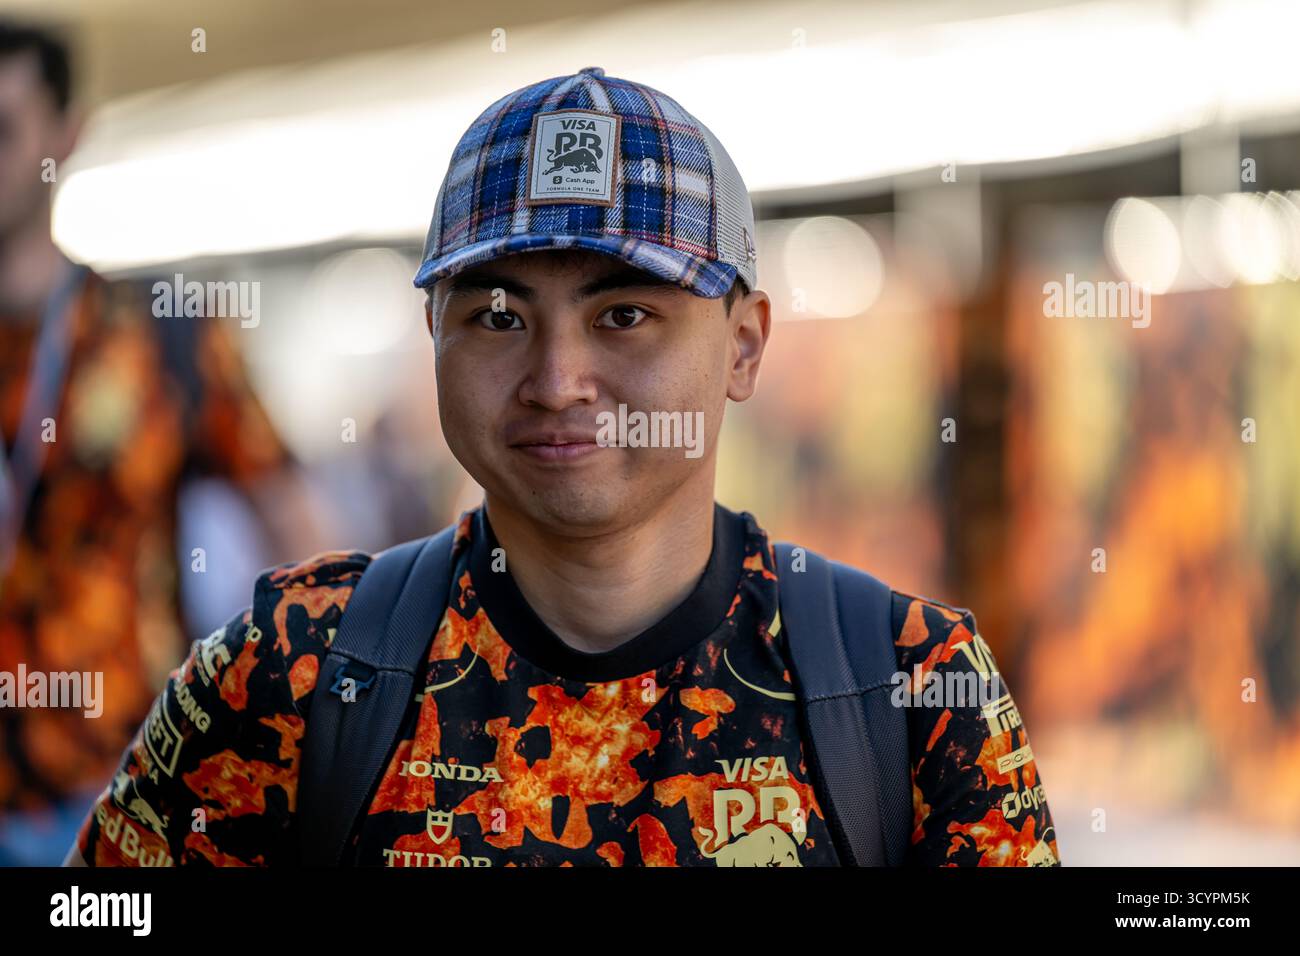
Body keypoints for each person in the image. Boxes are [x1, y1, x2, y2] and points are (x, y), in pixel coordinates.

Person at [67, 66, 1060, 867]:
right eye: (498, 317)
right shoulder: (291, 671)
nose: (556, 381)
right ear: (434, 334)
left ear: (745, 345)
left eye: (623, 313)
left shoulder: (909, 684)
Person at [0, 19, 297, 865]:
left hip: (119, 792)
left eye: (3, 131)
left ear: (66, 136)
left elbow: (295, 527)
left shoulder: (160, 336)